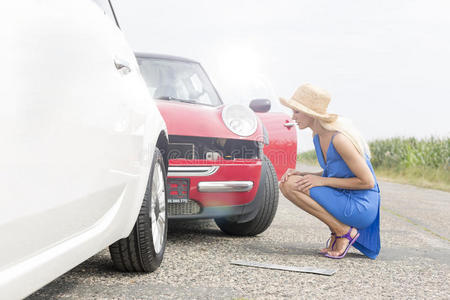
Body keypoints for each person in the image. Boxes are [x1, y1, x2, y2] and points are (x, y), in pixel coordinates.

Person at [279, 83, 381, 259]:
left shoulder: (340, 139)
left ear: (311, 113)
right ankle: (339, 231)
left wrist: (322, 181)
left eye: (296, 111)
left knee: (290, 185)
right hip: (343, 196)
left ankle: (343, 232)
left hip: (361, 205)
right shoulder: (317, 137)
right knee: (287, 183)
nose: (293, 117)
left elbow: (368, 182)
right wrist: (302, 174)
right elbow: (334, 173)